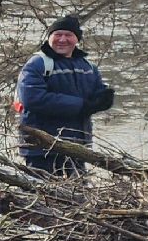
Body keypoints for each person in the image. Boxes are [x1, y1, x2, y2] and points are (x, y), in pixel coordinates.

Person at [15, 14, 113, 176]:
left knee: (78, 196)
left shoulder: (88, 67)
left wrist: (103, 99)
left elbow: (94, 96)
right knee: (42, 195)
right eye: (57, 35)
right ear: (49, 38)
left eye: (68, 35)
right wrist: (82, 105)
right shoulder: (37, 64)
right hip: (41, 147)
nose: (62, 40)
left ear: (77, 40)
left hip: (78, 146)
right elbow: (33, 99)